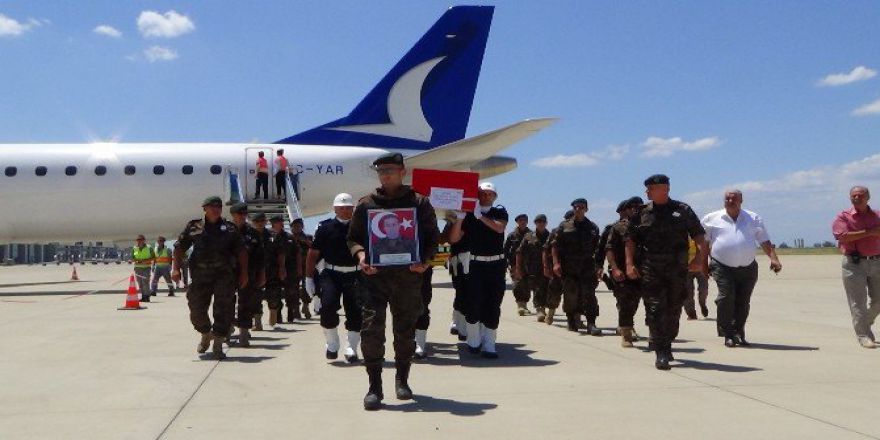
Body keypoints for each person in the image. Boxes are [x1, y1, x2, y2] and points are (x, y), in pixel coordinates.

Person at [347, 152, 439, 411]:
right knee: (371, 331)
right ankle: (374, 386)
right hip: (374, 280)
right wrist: (362, 254)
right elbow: (352, 238)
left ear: (402, 172)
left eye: (390, 170)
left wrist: (425, 260)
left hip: (408, 279)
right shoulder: (366, 205)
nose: (385, 175)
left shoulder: (419, 203)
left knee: (405, 331)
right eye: (381, 171)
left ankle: (402, 379)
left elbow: (433, 238)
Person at [625, 174, 706, 370]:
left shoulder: (682, 210)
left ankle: (667, 343)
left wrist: (699, 259)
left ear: (665, 189)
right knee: (655, 309)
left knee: (674, 308)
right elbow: (630, 240)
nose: (647, 192)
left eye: (651, 189)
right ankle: (660, 350)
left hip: (677, 269)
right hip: (651, 268)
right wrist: (629, 263)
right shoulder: (641, 213)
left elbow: (699, 235)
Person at [172, 196, 248, 360]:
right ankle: (206, 333)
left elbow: (241, 252)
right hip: (200, 276)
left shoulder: (229, 228)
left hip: (224, 276)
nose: (216, 209)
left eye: (218, 206)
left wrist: (244, 273)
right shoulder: (194, 226)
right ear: (204, 208)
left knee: (224, 310)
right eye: (212, 206)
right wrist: (175, 269)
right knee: (196, 310)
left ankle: (218, 344)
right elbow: (179, 248)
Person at [702, 190, 781, 347]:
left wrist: (774, 258)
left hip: (748, 266)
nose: (730, 200)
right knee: (726, 297)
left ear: (741, 200)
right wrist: (703, 265)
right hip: (721, 265)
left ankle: (739, 332)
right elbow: (704, 244)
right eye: (727, 198)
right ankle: (728, 333)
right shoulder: (711, 219)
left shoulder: (753, 218)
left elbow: (764, 241)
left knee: (743, 301)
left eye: (734, 198)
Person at [448, 182, 509, 358]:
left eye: (490, 194)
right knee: (473, 302)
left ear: (495, 197)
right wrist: (460, 218)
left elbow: (499, 228)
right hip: (475, 264)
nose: (486, 196)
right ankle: (473, 340)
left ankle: (489, 344)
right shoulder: (468, 215)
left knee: (493, 303)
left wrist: (479, 216)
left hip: (496, 265)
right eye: (483, 193)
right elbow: (454, 238)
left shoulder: (499, 211)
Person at [305, 193, 363, 362]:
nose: (345, 211)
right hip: (331, 274)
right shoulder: (325, 228)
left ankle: (351, 347)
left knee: (356, 311)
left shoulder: (359, 228)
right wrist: (308, 278)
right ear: (335, 209)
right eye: (342, 208)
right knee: (328, 307)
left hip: (355, 274)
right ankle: (332, 343)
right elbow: (312, 254)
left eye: (349, 208)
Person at [832, 186, 880, 348]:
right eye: (854, 195)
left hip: (876, 261)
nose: (857, 198)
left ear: (868, 197)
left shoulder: (877, 216)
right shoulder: (843, 217)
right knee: (857, 302)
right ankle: (863, 335)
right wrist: (870, 232)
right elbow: (842, 236)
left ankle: (865, 323)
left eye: (860, 195)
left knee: (878, 301)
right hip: (853, 264)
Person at [552, 198, 602, 335]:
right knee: (570, 294)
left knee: (589, 295)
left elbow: (598, 249)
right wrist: (556, 263)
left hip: (587, 267)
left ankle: (591, 323)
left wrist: (599, 266)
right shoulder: (564, 226)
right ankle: (571, 320)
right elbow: (555, 247)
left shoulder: (592, 227)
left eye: (581, 207)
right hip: (569, 267)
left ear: (586, 209)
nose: (578, 209)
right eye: (576, 207)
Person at [605, 197, 644, 347]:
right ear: (626, 210)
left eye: (638, 206)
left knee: (637, 301)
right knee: (625, 301)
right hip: (623, 270)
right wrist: (614, 268)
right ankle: (626, 333)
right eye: (632, 207)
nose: (635, 209)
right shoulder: (618, 227)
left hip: (643, 270)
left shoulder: (647, 225)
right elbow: (609, 249)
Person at [229, 203, 266, 347]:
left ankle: (243, 333)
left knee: (246, 303)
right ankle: (227, 329)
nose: (243, 217)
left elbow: (260, 256)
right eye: (240, 214)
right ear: (233, 215)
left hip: (249, 272)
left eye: (245, 214)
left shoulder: (253, 233)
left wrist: (262, 274)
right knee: (226, 302)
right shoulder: (226, 231)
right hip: (228, 273)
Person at [514, 214, 550, 322]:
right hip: (530, 268)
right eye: (538, 222)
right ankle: (539, 309)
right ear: (535, 223)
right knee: (534, 288)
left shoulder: (551, 235)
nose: (541, 224)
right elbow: (519, 252)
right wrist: (518, 268)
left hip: (546, 267)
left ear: (546, 223)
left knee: (544, 288)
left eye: (543, 222)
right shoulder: (528, 236)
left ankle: (544, 309)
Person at [442, 213, 470, 341]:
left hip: (473, 259)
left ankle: (463, 325)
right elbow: (445, 238)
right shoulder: (453, 219)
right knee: (460, 292)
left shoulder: (477, 218)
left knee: (468, 293)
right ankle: (457, 322)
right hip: (457, 260)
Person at [543, 210, 573, 325]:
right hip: (559, 267)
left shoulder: (580, 231)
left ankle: (575, 318)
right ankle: (550, 314)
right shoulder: (556, 231)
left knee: (574, 293)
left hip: (574, 267)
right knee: (555, 291)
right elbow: (546, 249)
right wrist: (546, 265)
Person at [265, 215, 290, 327]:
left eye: (281, 222)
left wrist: (282, 268)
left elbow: (282, 254)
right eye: (277, 222)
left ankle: (277, 314)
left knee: (276, 293)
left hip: (280, 268)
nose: (280, 224)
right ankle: (261, 318)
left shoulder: (287, 236)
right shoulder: (267, 235)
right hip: (265, 268)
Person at [505, 214, 532, 316]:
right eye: (521, 220)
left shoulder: (531, 235)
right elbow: (505, 250)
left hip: (529, 264)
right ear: (517, 222)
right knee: (517, 284)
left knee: (527, 285)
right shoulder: (512, 236)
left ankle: (524, 305)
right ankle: (520, 305)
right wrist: (506, 262)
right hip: (515, 264)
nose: (523, 222)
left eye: (525, 220)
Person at [250, 212, 272, 331]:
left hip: (271, 269)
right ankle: (257, 322)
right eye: (256, 221)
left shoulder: (271, 235)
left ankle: (274, 313)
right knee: (255, 296)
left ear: (265, 222)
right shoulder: (249, 235)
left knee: (273, 295)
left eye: (261, 221)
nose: (259, 224)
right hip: (255, 270)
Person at [291, 218, 314, 320]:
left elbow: (314, 248)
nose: (296, 228)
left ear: (302, 227)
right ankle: (296, 309)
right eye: (294, 227)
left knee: (307, 287)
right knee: (293, 289)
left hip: (306, 266)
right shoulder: (289, 237)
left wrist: (305, 241)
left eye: (298, 226)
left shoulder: (308, 237)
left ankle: (306, 306)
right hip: (292, 267)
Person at [280, 220, 303, 323]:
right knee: (275, 293)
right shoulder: (273, 236)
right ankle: (277, 315)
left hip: (291, 269)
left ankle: (292, 312)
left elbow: (298, 254)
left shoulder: (290, 238)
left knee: (292, 291)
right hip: (275, 268)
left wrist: (299, 268)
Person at [683, 238, 710, 320]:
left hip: (701, 269)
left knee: (703, 290)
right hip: (686, 269)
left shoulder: (702, 236)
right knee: (688, 294)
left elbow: (708, 252)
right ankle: (691, 314)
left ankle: (702, 304)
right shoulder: (681, 235)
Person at [132, 234, 154, 302]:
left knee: (145, 282)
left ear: (144, 240)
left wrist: (145, 261)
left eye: (141, 240)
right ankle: (143, 296)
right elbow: (133, 258)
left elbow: (153, 257)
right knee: (140, 283)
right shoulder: (135, 248)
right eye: (138, 240)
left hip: (146, 268)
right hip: (137, 268)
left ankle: (147, 296)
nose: (139, 241)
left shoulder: (149, 248)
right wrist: (137, 261)